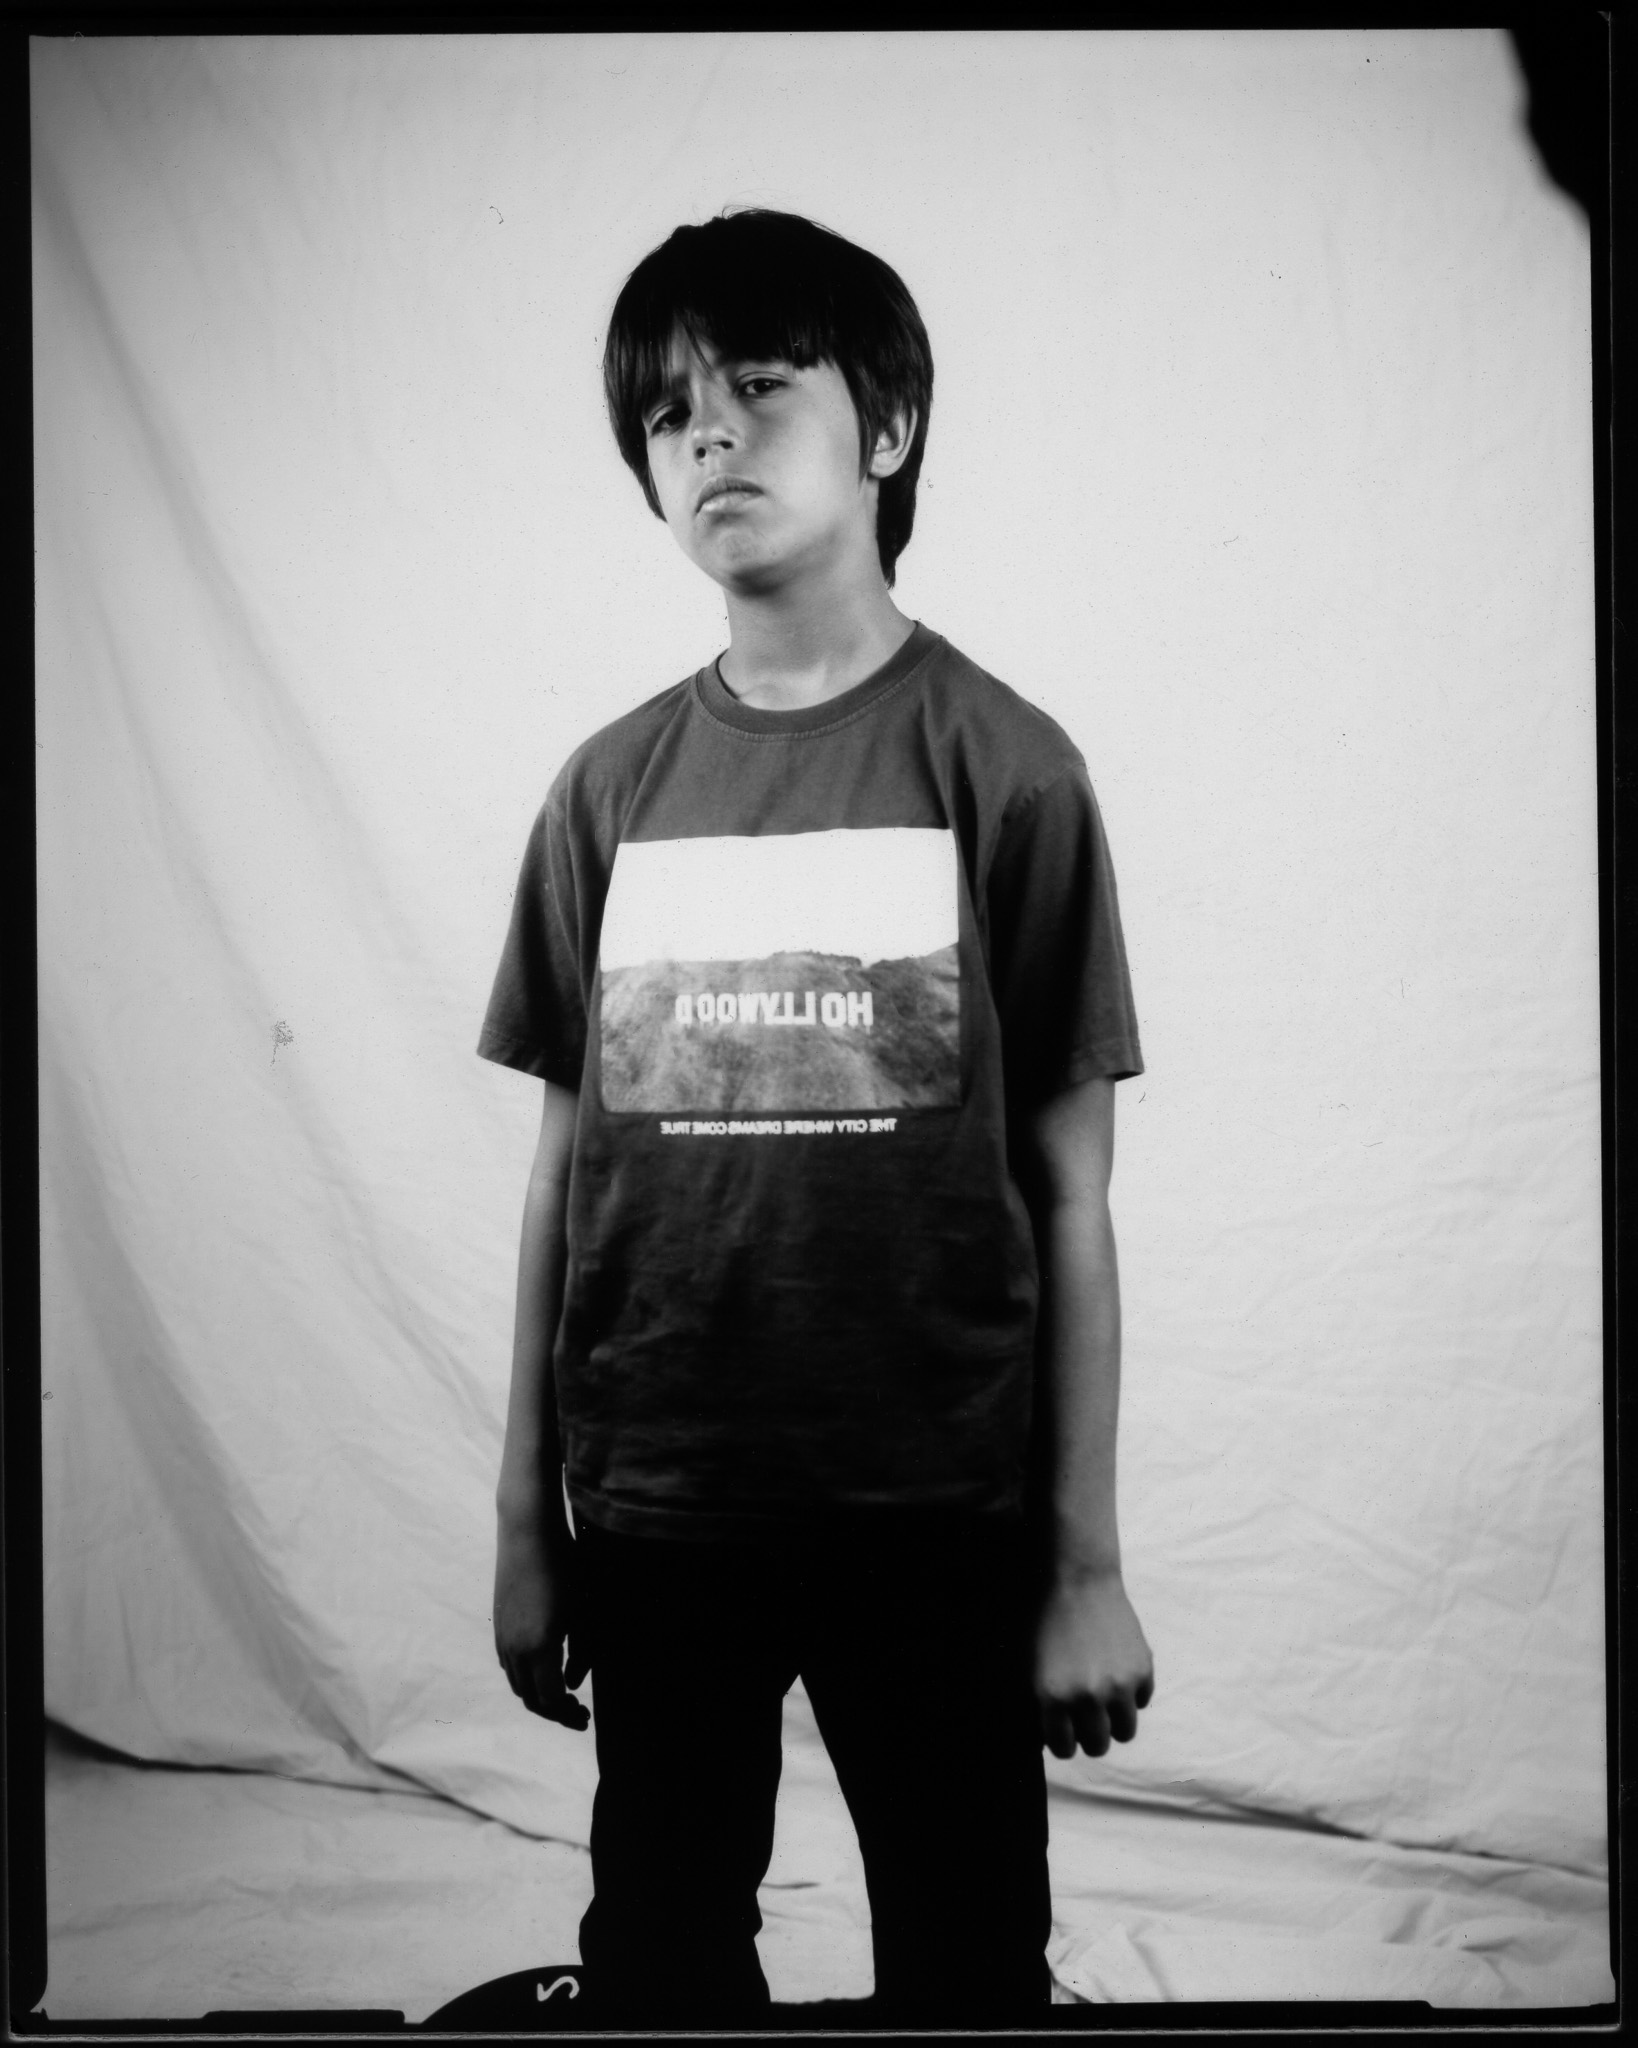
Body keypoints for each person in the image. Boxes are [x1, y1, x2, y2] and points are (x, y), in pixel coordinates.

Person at [479, 207, 1153, 2026]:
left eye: (757, 391)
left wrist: (1081, 1566)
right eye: (666, 413)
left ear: (887, 428)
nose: (705, 437)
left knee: (962, 1957)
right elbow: (561, 1178)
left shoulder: (1007, 771)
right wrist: (526, 1524)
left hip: (931, 1506)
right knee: (665, 1953)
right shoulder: (604, 792)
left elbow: (1071, 1201)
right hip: (660, 1508)